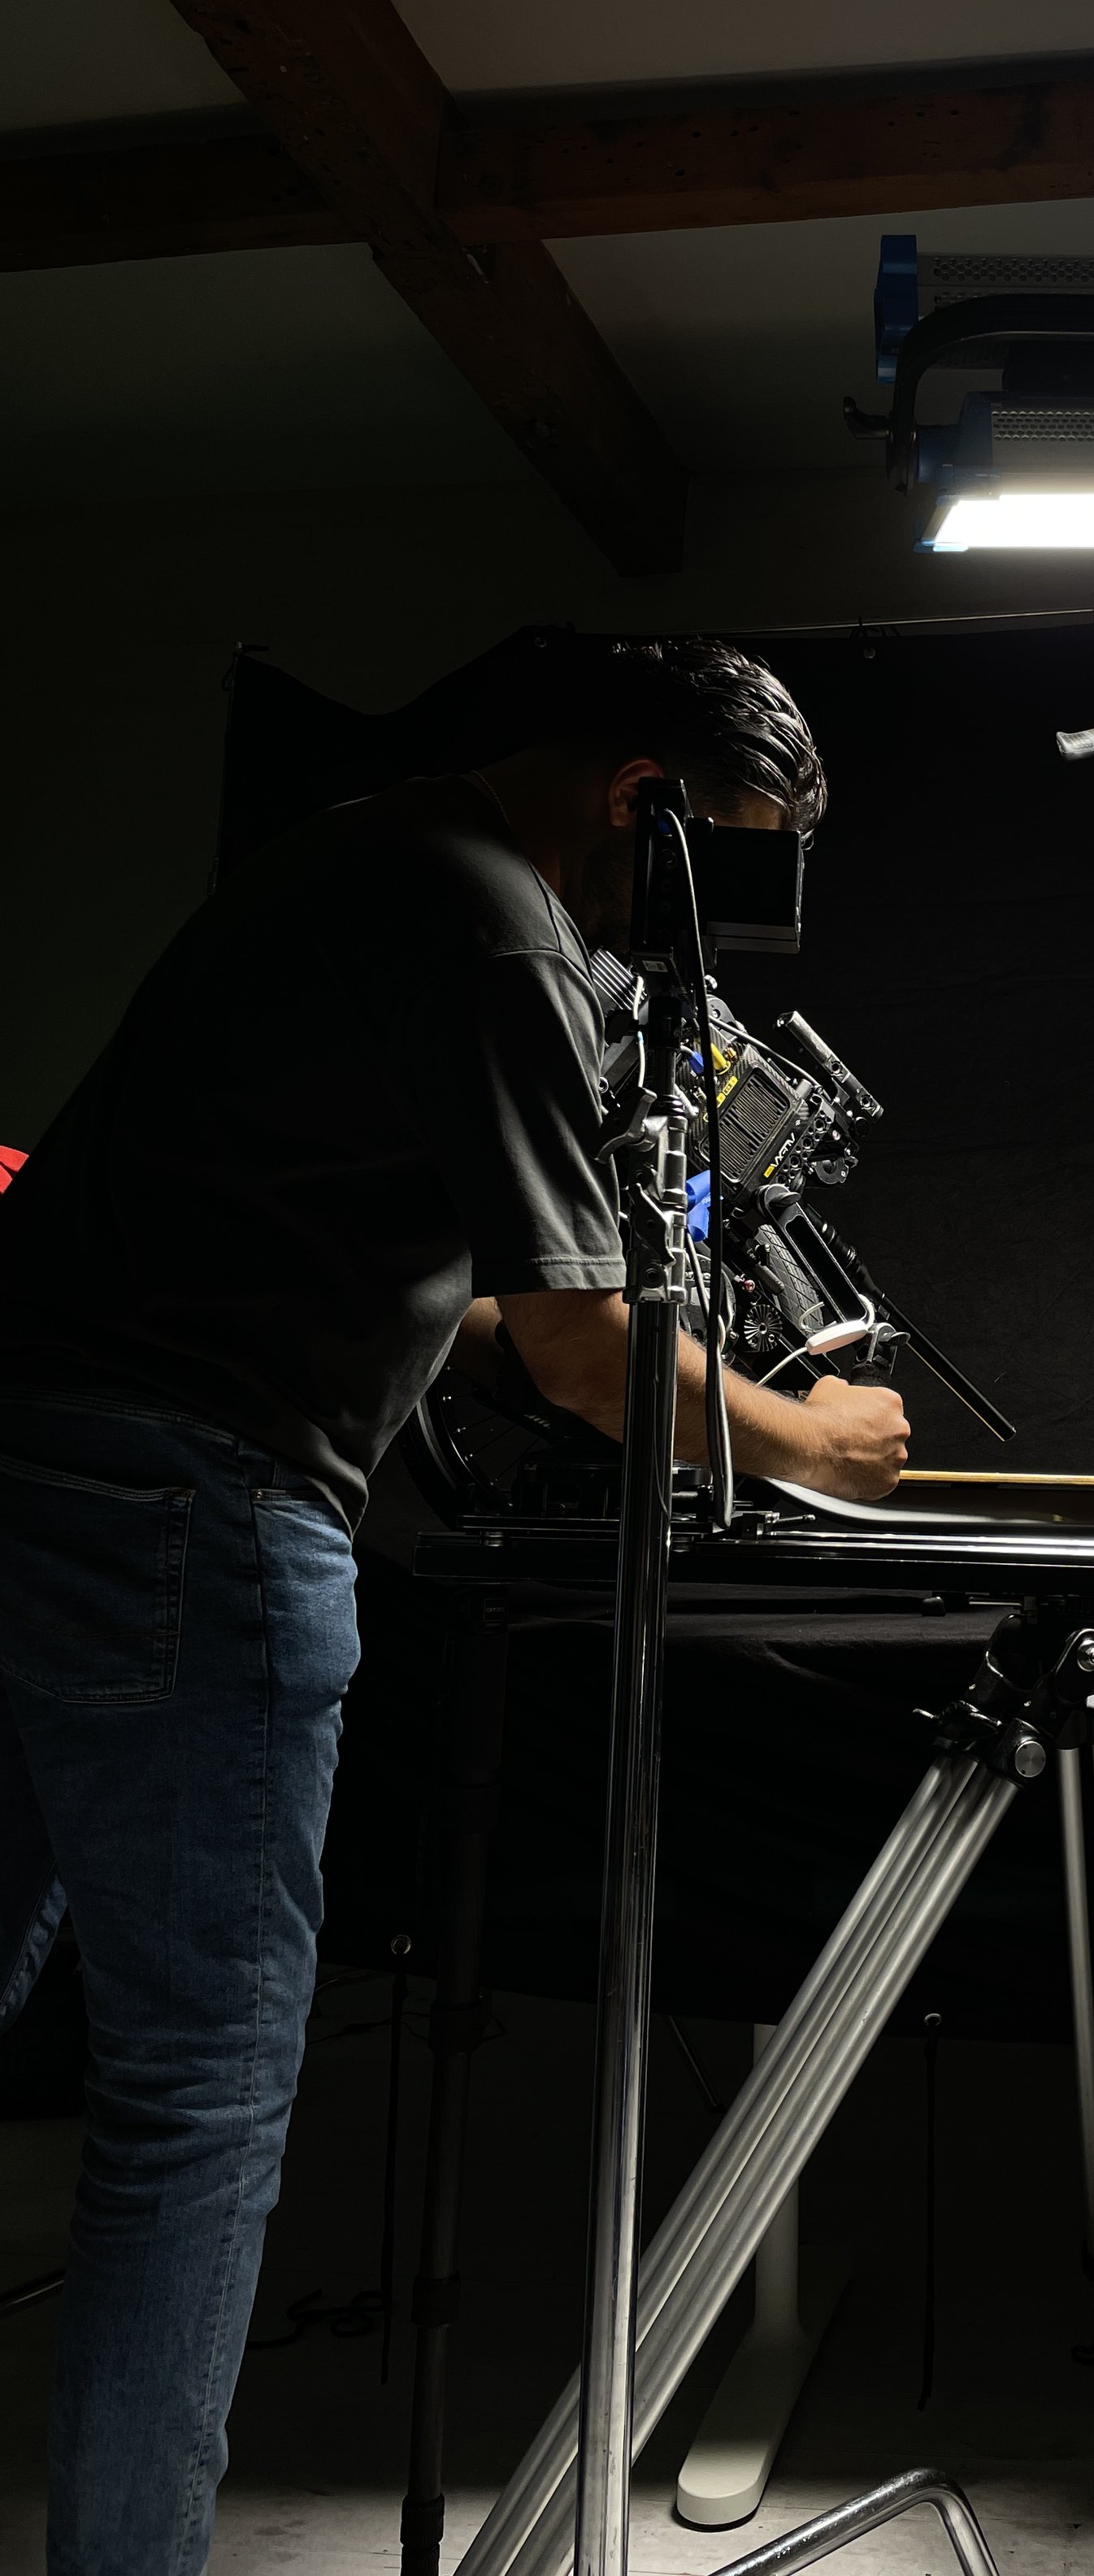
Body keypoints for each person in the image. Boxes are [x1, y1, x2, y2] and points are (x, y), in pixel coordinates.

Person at [0, 632, 909, 2574]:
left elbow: (469, 1295)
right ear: (641, 797)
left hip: (38, 1461)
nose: (717, 918)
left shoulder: (367, 854)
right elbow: (585, 1353)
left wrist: (662, 1370)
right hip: (195, 1503)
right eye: (727, 856)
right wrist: (804, 1437)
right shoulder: (499, 924)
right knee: (197, 2092)